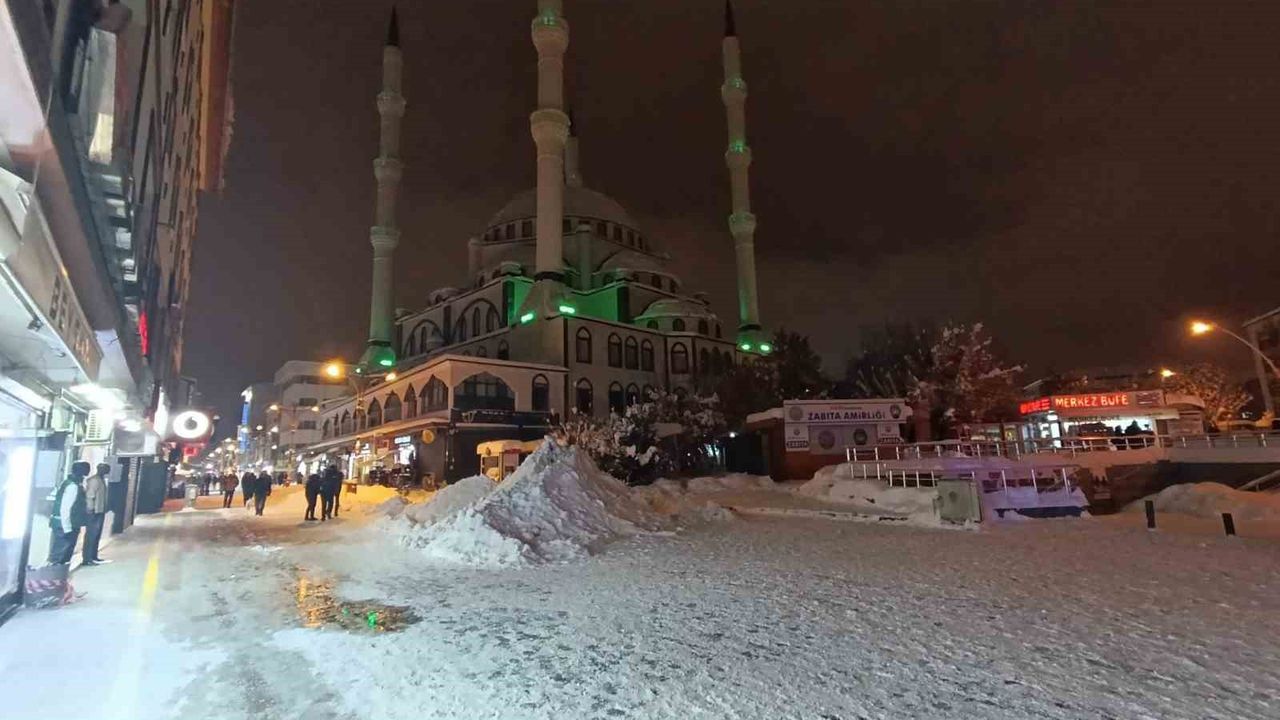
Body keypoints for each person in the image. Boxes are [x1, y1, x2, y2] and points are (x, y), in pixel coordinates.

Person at [48, 462, 90, 565]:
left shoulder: (68, 483)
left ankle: (57, 571)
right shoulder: (73, 486)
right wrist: (67, 528)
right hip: (66, 524)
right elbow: (66, 508)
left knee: (61, 554)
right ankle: (55, 572)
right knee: (60, 556)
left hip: (63, 523)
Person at [81, 463, 111, 566]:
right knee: (91, 535)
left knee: (96, 535)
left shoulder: (101, 479)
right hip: (94, 512)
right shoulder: (94, 480)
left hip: (99, 511)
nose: (108, 471)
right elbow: (90, 495)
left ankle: (94, 556)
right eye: (106, 469)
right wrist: (90, 509)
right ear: (99, 469)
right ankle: (87, 558)